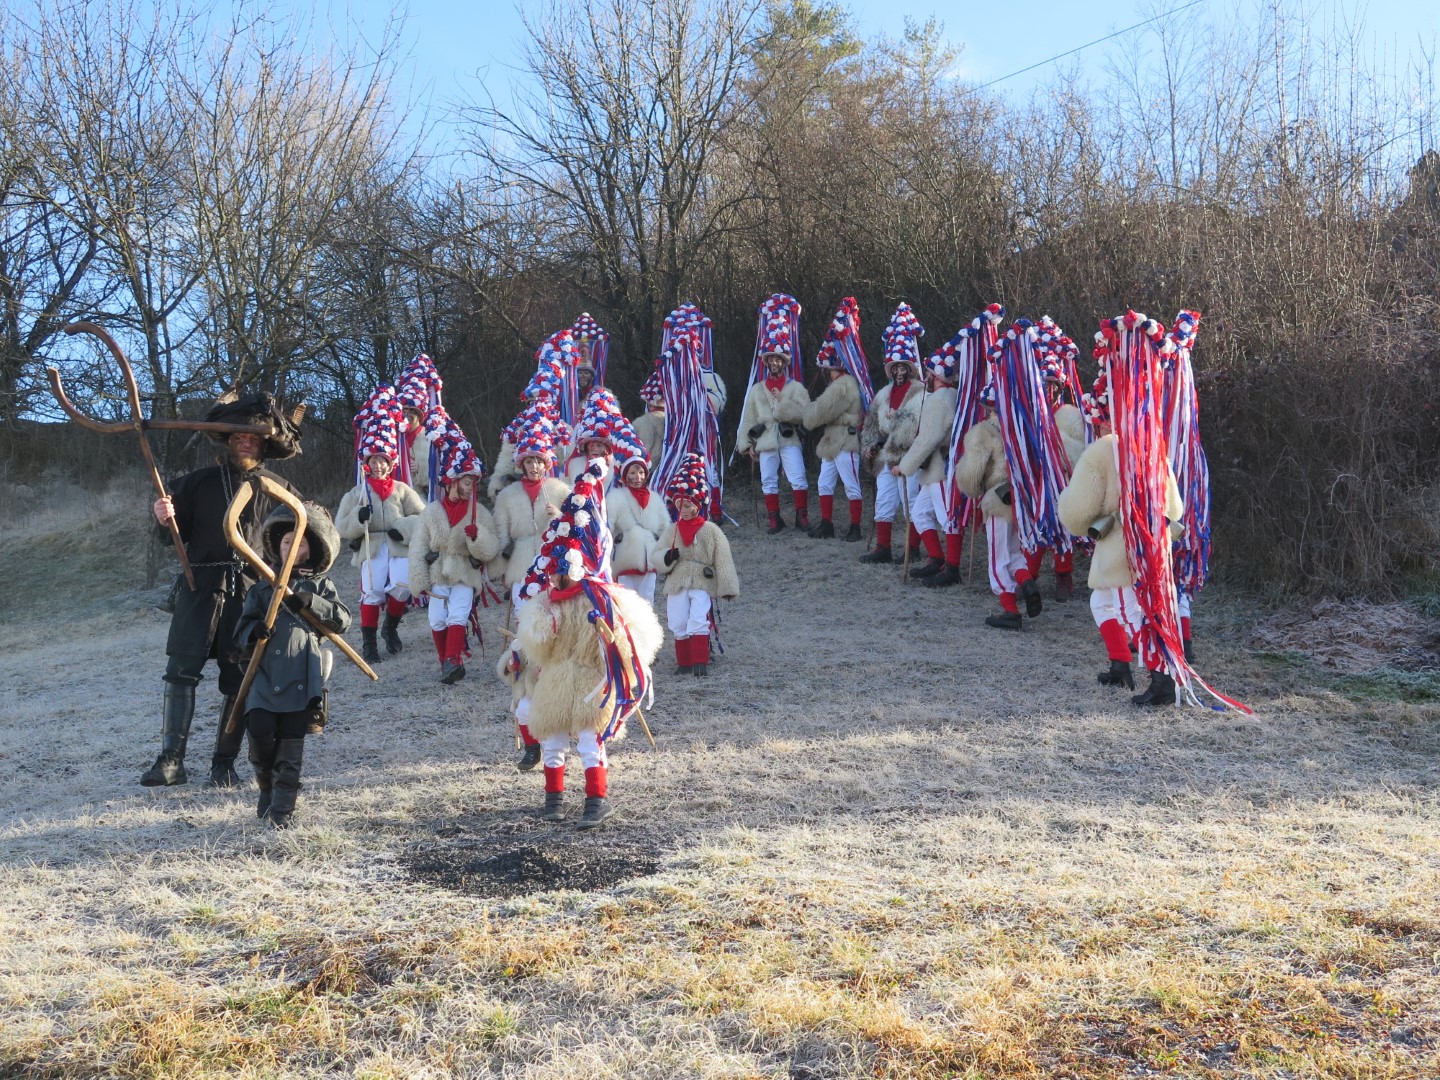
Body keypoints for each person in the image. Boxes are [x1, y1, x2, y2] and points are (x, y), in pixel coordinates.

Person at [141, 391, 303, 789]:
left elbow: (303, 534)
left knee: (240, 678)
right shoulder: (196, 483)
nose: (245, 442)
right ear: (227, 441)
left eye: (252, 437)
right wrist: (163, 517)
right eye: (238, 436)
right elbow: (167, 534)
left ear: (264, 444)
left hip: (250, 593)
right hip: (199, 587)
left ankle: (222, 765)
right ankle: (170, 762)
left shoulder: (278, 489)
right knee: (180, 672)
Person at [516, 462, 663, 827]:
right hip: (554, 681)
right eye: (551, 569)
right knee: (552, 741)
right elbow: (537, 645)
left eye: (559, 569)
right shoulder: (546, 601)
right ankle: (554, 800)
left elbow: (638, 636)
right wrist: (538, 631)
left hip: (590, 683)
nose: (554, 575)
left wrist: (611, 644)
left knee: (587, 740)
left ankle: (596, 801)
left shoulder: (602, 598)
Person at [234, 503, 350, 828]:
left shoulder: (321, 586)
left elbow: (343, 620)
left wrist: (312, 603)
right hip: (264, 675)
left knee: (290, 745)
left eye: (299, 542)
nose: (292, 547)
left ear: (310, 548)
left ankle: (282, 812)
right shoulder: (260, 588)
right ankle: (267, 788)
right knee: (259, 733)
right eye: (287, 541)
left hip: (303, 674)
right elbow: (240, 631)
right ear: (277, 545)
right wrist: (253, 630)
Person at [334, 396, 425, 663]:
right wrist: (358, 518)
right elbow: (341, 525)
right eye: (374, 460)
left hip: (397, 545)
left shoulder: (401, 489)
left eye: (382, 460)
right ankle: (369, 643)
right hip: (371, 545)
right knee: (372, 592)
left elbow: (421, 515)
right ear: (367, 463)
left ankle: (391, 627)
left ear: (390, 463)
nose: (378, 465)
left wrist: (402, 528)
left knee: (402, 587)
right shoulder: (357, 492)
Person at [409, 436, 500, 684]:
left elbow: (491, 547)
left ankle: (453, 660)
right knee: (437, 618)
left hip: (465, 571)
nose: (471, 487)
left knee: (458, 614)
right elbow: (417, 546)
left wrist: (477, 538)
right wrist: (419, 577)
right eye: (467, 482)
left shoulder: (478, 511)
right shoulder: (431, 512)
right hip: (438, 570)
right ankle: (445, 663)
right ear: (453, 481)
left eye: (473, 482)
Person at [955, 385, 1041, 630]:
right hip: (1021, 499)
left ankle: (1010, 610)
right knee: (1014, 552)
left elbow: (972, 475)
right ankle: (1027, 582)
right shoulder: (1023, 427)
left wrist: (968, 485)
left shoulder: (983, 432)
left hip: (996, 497)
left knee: (997, 558)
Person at [652, 453, 740, 676]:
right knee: (677, 618)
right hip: (678, 580)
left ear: (698, 505)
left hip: (702, 580)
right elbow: (656, 554)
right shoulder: (672, 530)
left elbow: (722, 558)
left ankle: (699, 661)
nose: (684, 509)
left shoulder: (711, 530)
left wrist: (727, 587)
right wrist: (667, 558)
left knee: (699, 617)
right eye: (680, 504)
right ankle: (684, 662)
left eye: (689, 505)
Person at [735, 294, 810, 533]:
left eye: (778, 359)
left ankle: (802, 517)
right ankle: (774, 520)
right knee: (768, 480)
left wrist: (785, 410)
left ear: (784, 362)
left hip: (789, 437)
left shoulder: (795, 387)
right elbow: (749, 417)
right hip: (766, 440)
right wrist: (747, 443)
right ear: (766, 363)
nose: (774, 363)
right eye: (771, 359)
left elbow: (806, 415)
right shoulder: (757, 390)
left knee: (797, 476)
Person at [858, 305, 925, 563]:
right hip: (885, 455)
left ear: (910, 369)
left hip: (908, 455)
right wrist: (870, 445)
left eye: (903, 368)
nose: (899, 372)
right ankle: (883, 547)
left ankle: (914, 548)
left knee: (911, 501)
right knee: (884, 499)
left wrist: (893, 439)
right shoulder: (883, 394)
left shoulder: (919, 391)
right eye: (895, 367)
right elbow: (871, 423)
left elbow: (913, 424)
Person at [803, 297, 870, 542]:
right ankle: (827, 523)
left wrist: (806, 413)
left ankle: (855, 527)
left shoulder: (843, 384)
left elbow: (822, 411)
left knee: (851, 485)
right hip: (833, 439)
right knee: (824, 483)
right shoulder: (842, 383)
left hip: (844, 439)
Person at [896, 346, 962, 583]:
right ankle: (936, 557)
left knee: (948, 519)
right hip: (936, 467)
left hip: (941, 468)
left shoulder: (938, 400)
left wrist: (904, 466)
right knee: (919, 512)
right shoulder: (953, 395)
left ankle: (952, 569)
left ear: (934, 376)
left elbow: (927, 440)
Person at [609, 449, 670, 604]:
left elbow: (665, 529)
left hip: (650, 561)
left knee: (647, 601)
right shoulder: (615, 497)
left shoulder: (655, 498)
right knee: (624, 603)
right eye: (633, 473)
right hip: (624, 559)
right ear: (625, 475)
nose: (638, 477)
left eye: (641, 472)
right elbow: (607, 526)